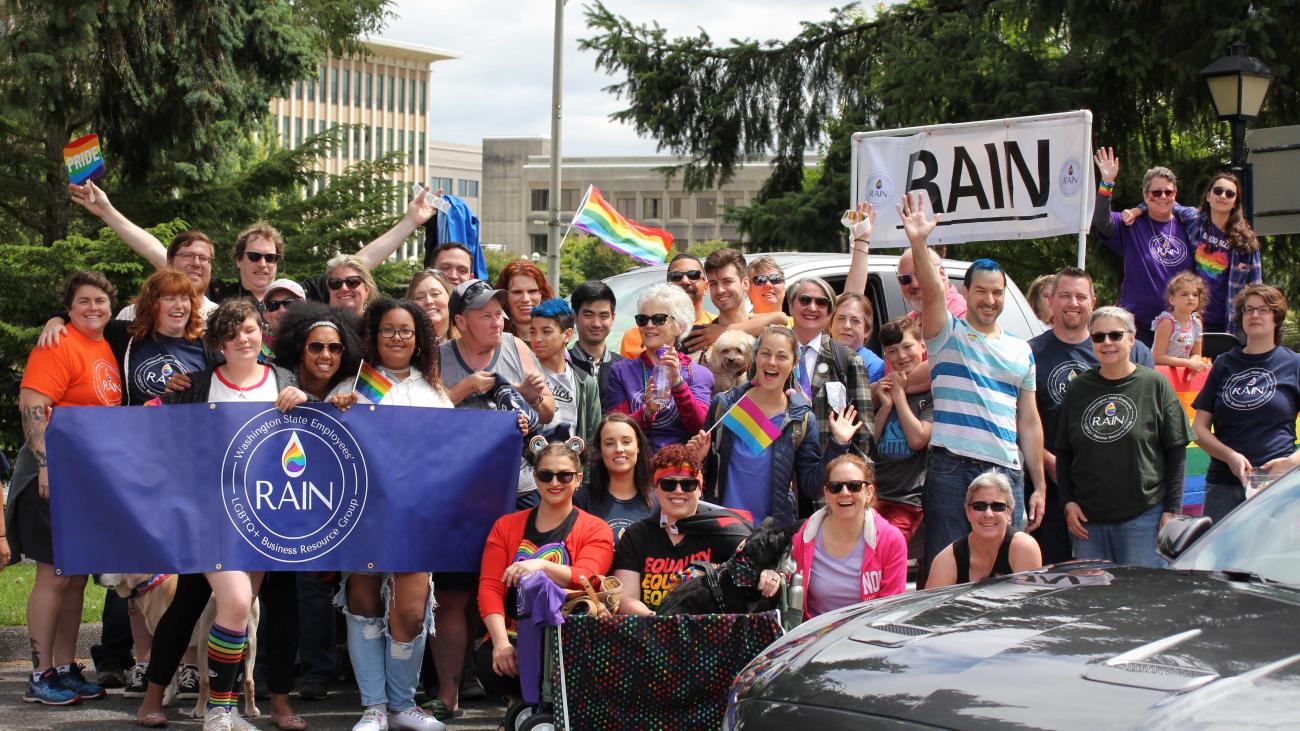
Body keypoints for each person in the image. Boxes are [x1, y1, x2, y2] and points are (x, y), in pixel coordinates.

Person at [152, 298, 299, 731]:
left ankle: (225, 707)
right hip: (210, 514)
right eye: (232, 334)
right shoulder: (195, 385)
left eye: (250, 330)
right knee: (234, 602)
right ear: (218, 342)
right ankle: (218, 711)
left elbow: (310, 434)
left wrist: (305, 398)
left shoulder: (284, 379)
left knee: (237, 611)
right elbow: (161, 438)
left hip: (265, 517)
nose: (242, 339)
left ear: (262, 333)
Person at [899, 192, 1045, 586]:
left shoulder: (1021, 351)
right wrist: (919, 242)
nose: (990, 299)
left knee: (1006, 574)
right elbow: (930, 293)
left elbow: (1028, 422)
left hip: (1005, 471)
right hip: (951, 466)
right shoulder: (947, 334)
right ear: (965, 293)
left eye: (997, 292)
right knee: (945, 572)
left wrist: (1039, 485)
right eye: (981, 290)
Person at [333, 297, 450, 731]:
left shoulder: (433, 391)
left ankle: (403, 706)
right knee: (362, 602)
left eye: (406, 331)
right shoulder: (353, 386)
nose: (397, 338)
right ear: (373, 335)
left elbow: (455, 451)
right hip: (361, 514)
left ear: (419, 339)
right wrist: (336, 409)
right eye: (388, 329)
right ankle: (374, 708)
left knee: (410, 610)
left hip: (416, 518)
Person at [9, 271, 122, 707]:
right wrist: (46, 465)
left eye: (100, 301)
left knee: (74, 577)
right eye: (83, 303)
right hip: (51, 472)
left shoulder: (103, 346)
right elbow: (33, 405)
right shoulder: (59, 343)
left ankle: (62, 667)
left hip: (86, 476)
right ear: (69, 309)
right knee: (53, 574)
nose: (93, 308)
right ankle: (38, 674)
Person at [477, 437, 614, 723]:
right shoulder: (506, 526)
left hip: (570, 634)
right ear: (536, 479)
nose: (555, 482)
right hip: (517, 630)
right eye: (545, 475)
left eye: (564, 475)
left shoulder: (595, 528)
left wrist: (539, 565)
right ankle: (518, 709)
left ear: (578, 479)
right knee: (491, 662)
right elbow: (490, 587)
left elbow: (586, 576)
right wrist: (501, 642)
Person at [267, 302, 362, 707]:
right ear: (298, 348)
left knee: (314, 588)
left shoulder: (350, 385)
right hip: (276, 499)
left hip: (332, 504)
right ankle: (267, 671)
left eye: (335, 348)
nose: (326, 355)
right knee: (274, 590)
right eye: (316, 347)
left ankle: (317, 672)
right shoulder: (276, 379)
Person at [1028, 267, 1155, 564]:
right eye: (1065, 296)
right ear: (1051, 301)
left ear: (1093, 301)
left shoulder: (1124, 350)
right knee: (1056, 577)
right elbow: (1021, 419)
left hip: (1113, 493)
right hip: (1054, 487)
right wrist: (1047, 460)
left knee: (1119, 580)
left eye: (1080, 296)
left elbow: (1152, 421)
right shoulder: (1029, 353)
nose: (1073, 303)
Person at [1057, 307, 1190, 567]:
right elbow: (1064, 451)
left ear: (1131, 338)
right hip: (1088, 522)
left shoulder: (1154, 384)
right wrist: (1068, 502)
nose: (1107, 343)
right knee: (1095, 603)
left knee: (1142, 602)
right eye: (1098, 337)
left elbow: (1176, 449)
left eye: (1115, 335)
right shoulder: (1078, 388)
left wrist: (1172, 510)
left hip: (1143, 518)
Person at [697, 326, 856, 525]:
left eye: (781, 356)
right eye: (765, 353)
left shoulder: (802, 420)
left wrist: (838, 444)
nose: (772, 362)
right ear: (755, 357)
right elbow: (700, 473)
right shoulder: (725, 405)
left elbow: (812, 488)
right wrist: (698, 457)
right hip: (721, 528)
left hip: (770, 538)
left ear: (794, 363)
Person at [440, 279, 556, 508]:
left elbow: (548, 413)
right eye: (486, 317)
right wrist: (467, 387)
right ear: (461, 322)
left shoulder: (515, 345)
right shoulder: (439, 358)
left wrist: (533, 398)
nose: (497, 323)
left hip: (520, 489)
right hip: (461, 489)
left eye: (498, 314)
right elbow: (426, 417)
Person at [1193, 284, 1300, 522]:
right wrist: (1229, 456)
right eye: (1248, 310)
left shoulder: (1294, 364)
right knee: (1218, 558)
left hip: (1277, 485)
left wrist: (1292, 462)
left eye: (1263, 309)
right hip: (1223, 485)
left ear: (1276, 317)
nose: (1254, 315)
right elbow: (1198, 429)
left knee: (1272, 558)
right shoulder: (1223, 363)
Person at [612, 444, 749, 615]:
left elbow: (755, 557)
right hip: (653, 631)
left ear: (699, 489)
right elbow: (625, 598)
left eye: (688, 485)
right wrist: (664, 624)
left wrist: (770, 573)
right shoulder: (637, 535)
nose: (678, 491)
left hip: (710, 633)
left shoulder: (721, 527)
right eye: (669, 484)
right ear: (656, 488)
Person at [1123, 172, 1262, 333]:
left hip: (1227, 324)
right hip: (1190, 321)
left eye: (1229, 194)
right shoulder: (1194, 219)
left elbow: (1256, 289)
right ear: (1208, 196)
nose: (1223, 196)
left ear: (1235, 202)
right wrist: (1136, 210)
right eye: (1218, 191)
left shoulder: (1246, 242)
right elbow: (1164, 201)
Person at [66, 183, 218, 319]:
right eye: (188, 255)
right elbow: (151, 248)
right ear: (169, 262)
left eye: (204, 258)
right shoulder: (134, 315)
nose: (196, 263)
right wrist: (61, 319)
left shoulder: (222, 319)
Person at [1092, 149, 1192, 346]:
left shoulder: (1189, 225)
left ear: (1175, 195)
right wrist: (1107, 183)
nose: (1163, 197)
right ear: (1146, 196)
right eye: (1156, 193)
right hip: (1138, 327)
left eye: (1168, 192)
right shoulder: (1131, 223)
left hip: (1179, 327)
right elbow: (1102, 223)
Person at [788, 454, 908, 616]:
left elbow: (889, 611)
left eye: (854, 486)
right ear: (826, 493)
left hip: (866, 635)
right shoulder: (803, 536)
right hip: (815, 636)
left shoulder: (891, 540)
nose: (844, 492)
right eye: (835, 486)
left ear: (869, 492)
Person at [603, 284, 713, 450]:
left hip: (680, 471)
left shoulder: (698, 373)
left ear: (680, 326)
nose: (648, 325)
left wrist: (677, 383)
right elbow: (614, 430)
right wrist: (647, 412)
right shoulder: (621, 371)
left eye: (658, 319)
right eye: (642, 319)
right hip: (636, 466)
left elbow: (699, 426)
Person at [787, 277, 874, 470]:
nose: (812, 307)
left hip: (828, 477)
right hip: (777, 476)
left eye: (821, 302)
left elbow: (864, 434)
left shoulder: (848, 360)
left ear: (829, 312)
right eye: (804, 299)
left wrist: (854, 484)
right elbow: (756, 410)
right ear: (791, 306)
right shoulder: (768, 352)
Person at [868, 317, 933, 542]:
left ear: (923, 346)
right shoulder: (882, 393)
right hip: (874, 496)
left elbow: (918, 439)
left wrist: (899, 396)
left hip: (907, 499)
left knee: (886, 549)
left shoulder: (930, 394)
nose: (902, 356)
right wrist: (885, 407)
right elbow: (869, 444)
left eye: (907, 347)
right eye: (893, 351)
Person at [925, 471, 1043, 588]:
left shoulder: (1024, 548)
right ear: (968, 512)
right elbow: (932, 606)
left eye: (997, 506)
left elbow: (1030, 604)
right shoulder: (945, 562)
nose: (988, 514)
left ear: (1009, 513)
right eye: (979, 506)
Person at [684, 248, 788, 353]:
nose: (720, 290)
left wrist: (724, 332)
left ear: (745, 284)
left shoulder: (769, 334)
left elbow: (782, 318)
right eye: (713, 284)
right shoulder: (701, 337)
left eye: (727, 281)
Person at [527, 299, 600, 446]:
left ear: (567, 335)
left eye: (546, 331)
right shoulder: (525, 376)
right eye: (533, 332)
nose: (537, 339)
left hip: (571, 465)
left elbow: (593, 437)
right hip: (531, 464)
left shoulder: (585, 382)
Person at [573, 414, 655, 543]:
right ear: (600, 449)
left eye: (626, 442)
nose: (619, 449)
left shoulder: (658, 501)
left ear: (638, 446)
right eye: (610, 443)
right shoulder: (581, 501)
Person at [619, 253, 716, 359]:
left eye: (693, 275)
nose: (685, 281)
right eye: (676, 276)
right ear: (667, 287)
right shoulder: (638, 334)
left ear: (706, 287)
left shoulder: (720, 329)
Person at [567, 280, 623, 397]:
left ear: (613, 318)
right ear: (575, 316)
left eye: (604, 316)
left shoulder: (625, 367)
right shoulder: (562, 364)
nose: (596, 323)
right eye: (588, 315)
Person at [1151, 271, 1206, 372]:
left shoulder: (1197, 323)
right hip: (1162, 374)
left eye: (1195, 294)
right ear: (1172, 300)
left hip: (1182, 375)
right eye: (1184, 294)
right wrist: (1187, 363)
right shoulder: (1167, 323)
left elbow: (1197, 354)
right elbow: (1157, 357)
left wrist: (1195, 362)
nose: (1191, 298)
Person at [831, 292, 886, 382]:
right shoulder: (816, 356)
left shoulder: (874, 367)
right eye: (841, 318)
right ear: (830, 326)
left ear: (867, 331)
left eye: (855, 321)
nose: (846, 325)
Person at [495, 259, 553, 340]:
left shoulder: (557, 339)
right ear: (504, 296)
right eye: (517, 292)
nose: (525, 299)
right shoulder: (494, 342)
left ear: (542, 294)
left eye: (532, 291)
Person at [406, 269, 454, 342]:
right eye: (420, 297)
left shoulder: (469, 340)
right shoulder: (405, 345)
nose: (428, 301)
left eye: (435, 294)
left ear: (450, 297)